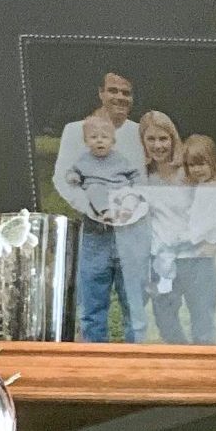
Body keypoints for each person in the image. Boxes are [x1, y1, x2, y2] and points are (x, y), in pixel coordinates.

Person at [55, 96, 150, 342]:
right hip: (96, 231)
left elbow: (136, 177)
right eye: (93, 137)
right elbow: (72, 175)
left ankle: (136, 351)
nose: (99, 141)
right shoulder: (83, 161)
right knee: (92, 295)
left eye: (104, 137)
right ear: (86, 141)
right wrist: (74, 178)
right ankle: (94, 347)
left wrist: (132, 196)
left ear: (113, 141)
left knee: (132, 300)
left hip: (125, 229)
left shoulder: (121, 160)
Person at [149, 134, 216, 343]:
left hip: (200, 262)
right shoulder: (196, 187)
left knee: (202, 317)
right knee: (165, 314)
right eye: (192, 165)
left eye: (202, 164)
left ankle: (203, 352)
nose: (197, 170)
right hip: (177, 258)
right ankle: (180, 350)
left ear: (213, 162)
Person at [139, 110, 193, 316]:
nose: (157, 145)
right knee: (163, 318)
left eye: (163, 139)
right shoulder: (143, 175)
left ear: (173, 139)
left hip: (186, 252)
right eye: (151, 139)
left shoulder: (187, 173)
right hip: (155, 255)